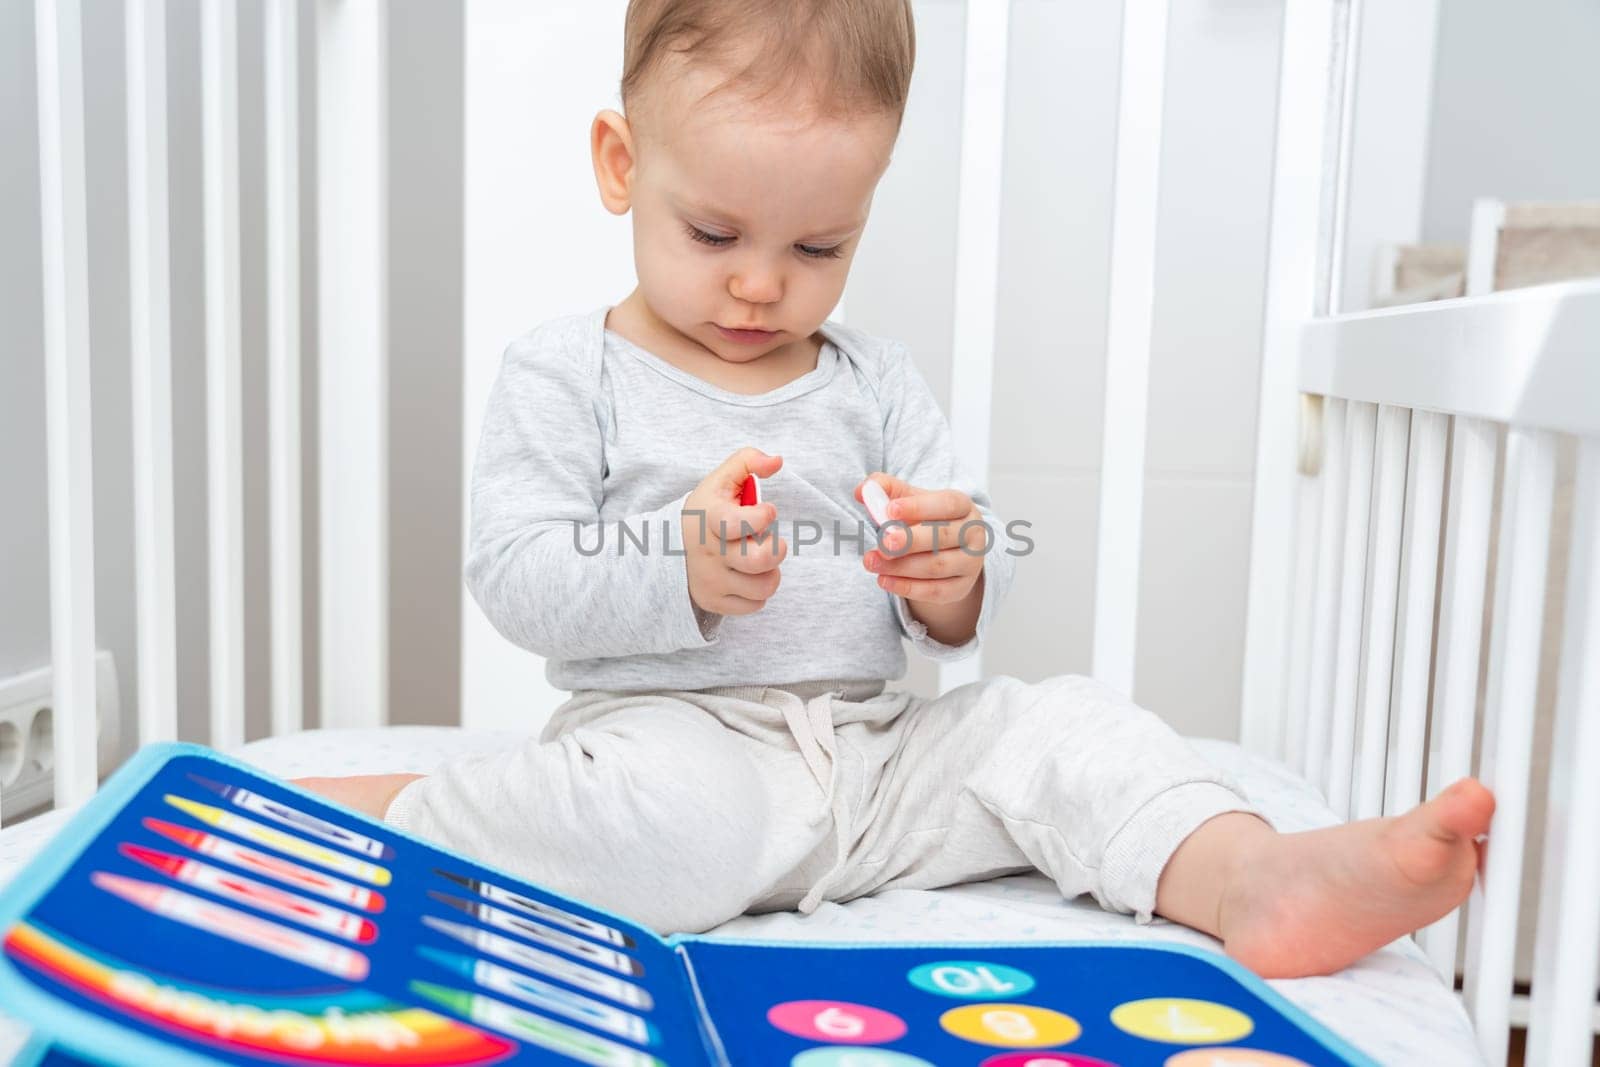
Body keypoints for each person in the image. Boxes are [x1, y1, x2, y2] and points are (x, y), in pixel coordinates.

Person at [296, 0, 1494, 980]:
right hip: (674, 743)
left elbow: (963, 570)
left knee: (1057, 728)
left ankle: (1251, 876)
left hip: (881, 761)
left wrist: (956, 573)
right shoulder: (571, 370)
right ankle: (408, 809)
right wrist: (676, 564)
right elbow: (514, 568)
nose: (762, 284)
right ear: (622, 164)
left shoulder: (873, 378)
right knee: (668, 823)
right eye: (714, 233)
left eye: (818, 247)